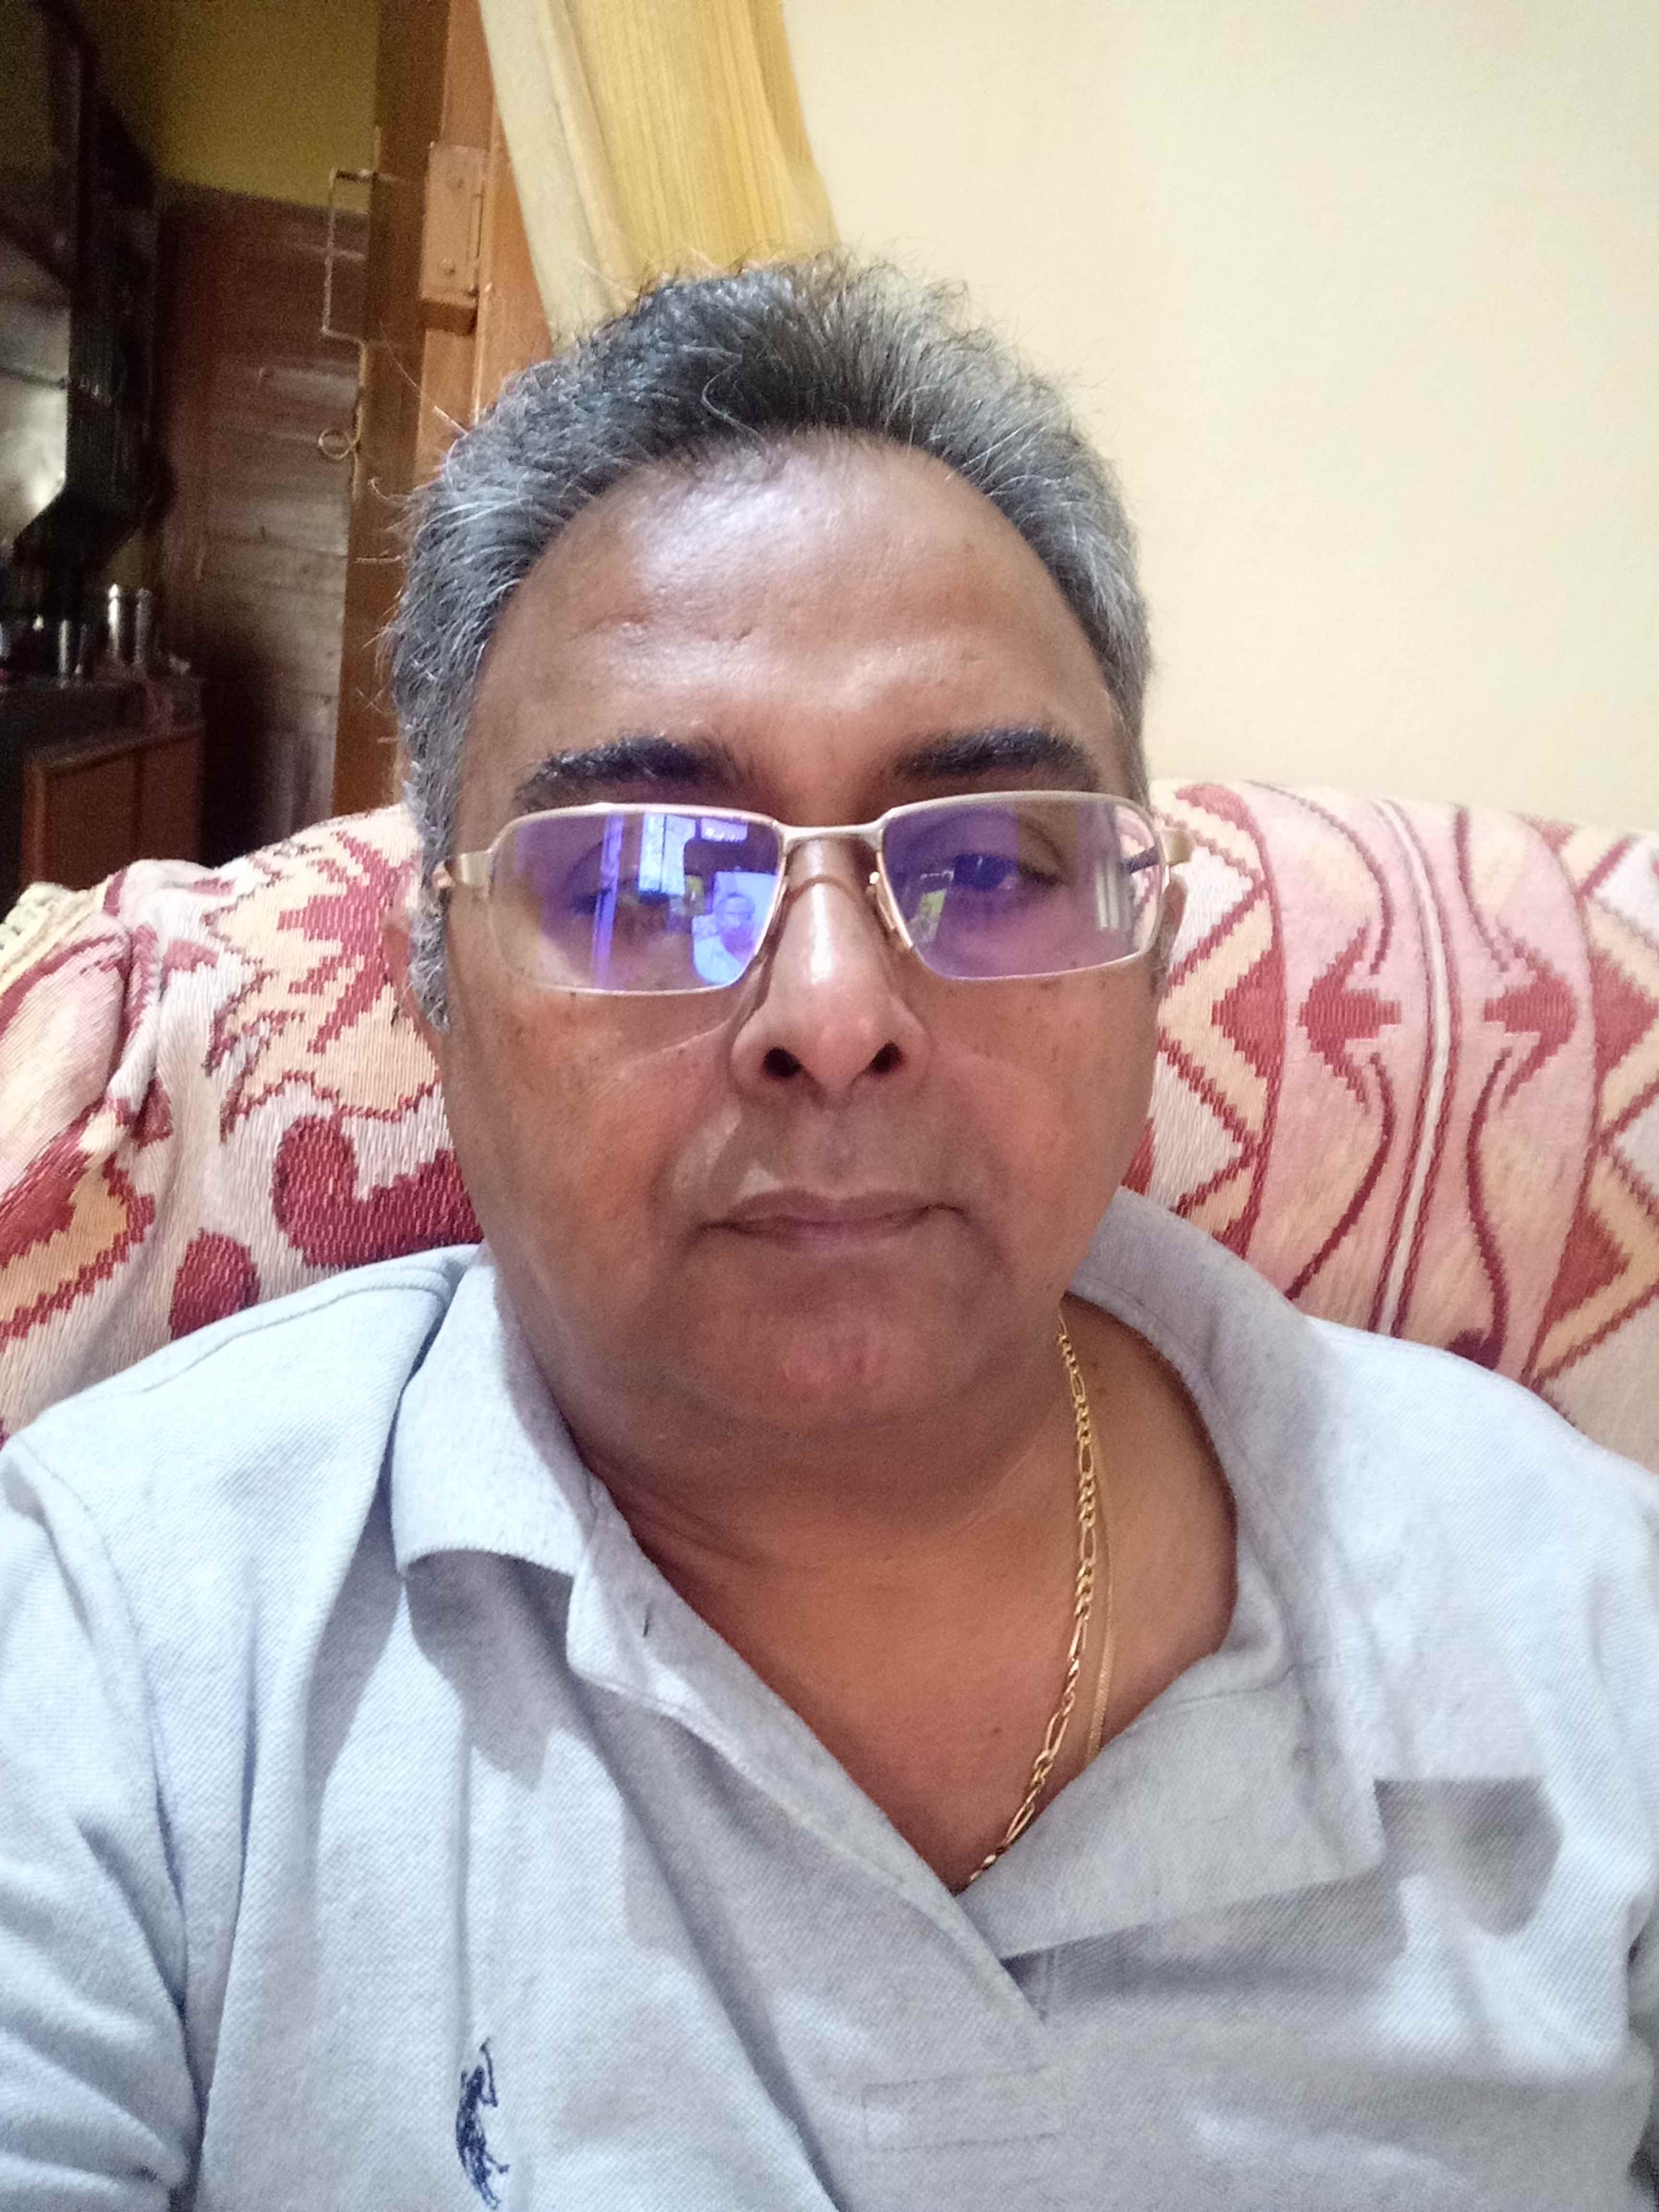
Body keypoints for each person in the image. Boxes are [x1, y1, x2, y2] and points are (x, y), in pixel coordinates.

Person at [1, 258, 1658, 2212]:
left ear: (1152, 969)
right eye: (638, 877)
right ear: (435, 993)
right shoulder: (118, 1640)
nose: (833, 1010)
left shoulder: (1583, 1616)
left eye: (990, 861)